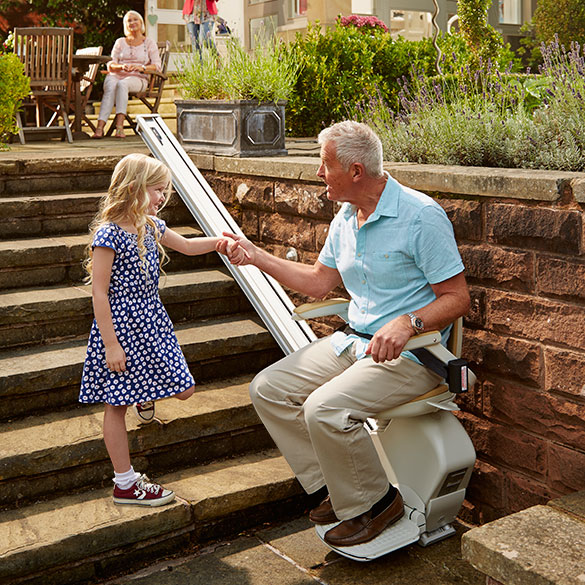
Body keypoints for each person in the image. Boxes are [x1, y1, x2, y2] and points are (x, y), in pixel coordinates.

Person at [218, 121, 470, 546]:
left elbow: (458, 298)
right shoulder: (347, 216)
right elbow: (318, 281)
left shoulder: (420, 216)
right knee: (269, 389)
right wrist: (257, 256)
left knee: (324, 409)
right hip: (355, 343)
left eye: (325, 164)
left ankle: (375, 504)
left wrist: (408, 323)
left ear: (355, 171)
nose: (319, 172)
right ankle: (335, 490)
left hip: (414, 356)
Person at [79, 153, 246, 506]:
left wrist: (219, 242)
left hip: (152, 322)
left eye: (164, 190)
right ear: (134, 188)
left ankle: (143, 391)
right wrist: (111, 344)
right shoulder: (109, 235)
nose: (161, 197)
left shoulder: (151, 225)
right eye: (157, 190)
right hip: (122, 328)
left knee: (184, 389)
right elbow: (99, 291)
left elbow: (185, 246)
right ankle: (125, 483)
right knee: (115, 405)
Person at [92, 11, 161, 139]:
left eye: (135, 20)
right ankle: (99, 128)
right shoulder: (120, 42)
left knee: (122, 84)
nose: (132, 23)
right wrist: (121, 67)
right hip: (118, 74)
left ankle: (119, 127)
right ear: (125, 25)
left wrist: (142, 67)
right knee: (111, 85)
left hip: (139, 78)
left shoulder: (149, 43)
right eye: (129, 21)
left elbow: (157, 66)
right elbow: (110, 64)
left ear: (141, 22)